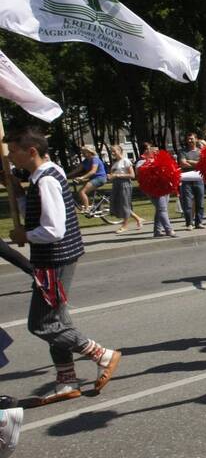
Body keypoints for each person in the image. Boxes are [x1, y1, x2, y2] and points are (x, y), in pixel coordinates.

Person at [4, 127, 121, 405]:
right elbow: (36, 211)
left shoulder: (46, 180)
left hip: (53, 259)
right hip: (53, 259)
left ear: (31, 151)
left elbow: (53, 229)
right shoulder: (45, 174)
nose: (9, 157)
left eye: (13, 151)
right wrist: (18, 193)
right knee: (58, 320)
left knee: (41, 324)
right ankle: (66, 379)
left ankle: (101, 354)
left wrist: (25, 236)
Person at [107, 144, 144, 233]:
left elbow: (132, 175)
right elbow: (113, 175)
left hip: (124, 184)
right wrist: (110, 176)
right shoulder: (115, 163)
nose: (113, 153)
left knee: (124, 205)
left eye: (114, 151)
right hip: (116, 184)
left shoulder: (126, 161)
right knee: (119, 204)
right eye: (111, 151)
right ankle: (138, 218)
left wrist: (117, 175)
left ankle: (125, 225)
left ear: (120, 151)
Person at [177, 132, 206, 229]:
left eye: (192, 139)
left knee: (200, 202)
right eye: (188, 139)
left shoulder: (201, 152)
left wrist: (190, 161)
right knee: (187, 203)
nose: (190, 141)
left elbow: (203, 164)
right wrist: (197, 164)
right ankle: (189, 223)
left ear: (196, 139)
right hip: (186, 180)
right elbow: (183, 164)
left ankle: (199, 222)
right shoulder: (182, 152)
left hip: (199, 179)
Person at [68, 145, 107, 211]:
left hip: (100, 178)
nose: (82, 153)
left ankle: (87, 209)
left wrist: (82, 177)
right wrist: (65, 175)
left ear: (89, 152)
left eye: (84, 152)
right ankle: (90, 206)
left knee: (82, 192)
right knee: (80, 191)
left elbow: (93, 171)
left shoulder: (95, 159)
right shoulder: (86, 161)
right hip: (93, 178)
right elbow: (77, 170)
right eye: (82, 152)